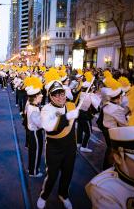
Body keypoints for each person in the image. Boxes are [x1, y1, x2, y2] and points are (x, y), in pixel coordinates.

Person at [37, 80, 79, 209]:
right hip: (54, 148)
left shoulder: (71, 106)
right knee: (52, 175)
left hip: (70, 147)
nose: (60, 97)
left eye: (62, 94)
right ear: (50, 96)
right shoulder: (46, 109)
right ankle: (44, 196)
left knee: (68, 173)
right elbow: (48, 126)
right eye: (56, 95)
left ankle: (63, 195)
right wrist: (66, 117)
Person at [24, 76, 44, 177]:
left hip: (33, 132)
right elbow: (41, 124)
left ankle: (32, 168)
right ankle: (34, 172)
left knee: (33, 152)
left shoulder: (32, 105)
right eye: (40, 94)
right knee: (36, 152)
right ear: (35, 97)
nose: (42, 95)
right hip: (36, 133)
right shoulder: (34, 109)